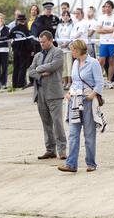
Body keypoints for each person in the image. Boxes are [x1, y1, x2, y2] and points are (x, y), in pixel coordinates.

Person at [58, 39, 104, 173]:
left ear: (78, 50)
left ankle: (91, 163)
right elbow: (75, 82)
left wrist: (93, 94)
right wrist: (69, 92)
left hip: (88, 101)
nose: (71, 52)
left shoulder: (93, 63)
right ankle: (71, 164)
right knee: (73, 133)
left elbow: (99, 83)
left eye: (72, 50)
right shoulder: (75, 63)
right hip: (74, 101)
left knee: (89, 134)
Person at [29, 31, 67, 160]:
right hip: (40, 93)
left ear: (50, 40)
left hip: (54, 92)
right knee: (46, 123)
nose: (41, 44)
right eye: (40, 42)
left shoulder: (58, 52)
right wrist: (40, 73)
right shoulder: (38, 55)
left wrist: (39, 69)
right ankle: (50, 149)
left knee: (57, 122)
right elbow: (31, 70)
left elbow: (53, 66)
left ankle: (62, 150)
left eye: (44, 42)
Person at [97, 0, 114, 89]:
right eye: (105, 6)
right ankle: (99, 80)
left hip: (113, 42)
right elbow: (98, 30)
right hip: (103, 42)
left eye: (109, 6)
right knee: (101, 61)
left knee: (111, 61)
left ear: (112, 8)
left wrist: (104, 29)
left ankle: (109, 80)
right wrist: (110, 29)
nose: (107, 8)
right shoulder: (101, 18)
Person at [9, 14, 33, 89]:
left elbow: (9, 38)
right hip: (24, 51)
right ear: (24, 21)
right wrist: (31, 50)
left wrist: (13, 47)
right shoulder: (26, 30)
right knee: (22, 67)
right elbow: (29, 42)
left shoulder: (14, 29)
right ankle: (20, 83)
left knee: (16, 67)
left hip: (16, 51)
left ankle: (14, 83)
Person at [55, 11, 74, 90]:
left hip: (68, 48)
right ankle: (64, 82)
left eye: (67, 15)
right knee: (63, 66)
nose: (65, 17)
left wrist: (67, 43)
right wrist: (60, 43)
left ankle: (69, 82)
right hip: (61, 48)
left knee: (69, 65)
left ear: (69, 17)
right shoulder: (59, 25)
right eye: (64, 15)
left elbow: (72, 35)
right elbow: (56, 36)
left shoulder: (72, 25)